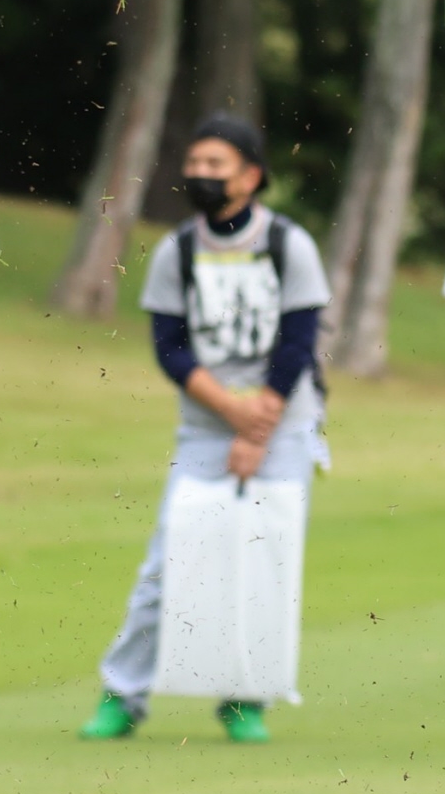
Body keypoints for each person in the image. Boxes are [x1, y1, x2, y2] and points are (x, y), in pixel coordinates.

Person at [79, 118, 326, 744]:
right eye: (195, 164)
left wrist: (258, 423)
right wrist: (229, 412)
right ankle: (123, 693)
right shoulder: (178, 250)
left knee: (264, 562)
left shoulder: (290, 244)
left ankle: (245, 698)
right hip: (206, 429)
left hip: (283, 427)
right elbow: (171, 349)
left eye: (217, 164)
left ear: (251, 175)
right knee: (169, 563)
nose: (202, 176)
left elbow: (298, 343)